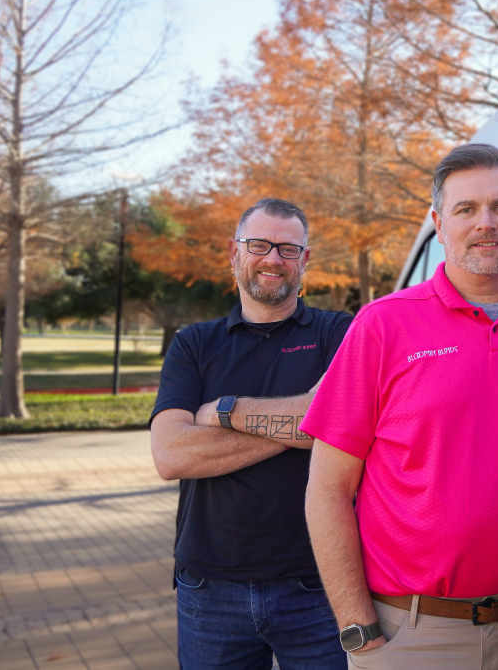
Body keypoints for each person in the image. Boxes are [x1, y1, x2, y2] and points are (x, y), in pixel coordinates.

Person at [302, 143, 498, 670]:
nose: (486, 223)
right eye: (466, 209)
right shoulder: (382, 326)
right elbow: (327, 490)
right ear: (439, 223)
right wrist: (358, 630)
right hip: (412, 637)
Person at [150, 198, 353, 669]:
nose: (272, 259)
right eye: (259, 244)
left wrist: (225, 410)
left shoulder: (338, 333)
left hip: (319, 583)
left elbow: (345, 426)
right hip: (209, 588)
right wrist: (305, 420)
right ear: (234, 252)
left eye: (287, 248)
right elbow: (171, 454)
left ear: (306, 260)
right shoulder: (194, 344)